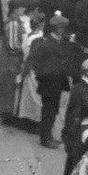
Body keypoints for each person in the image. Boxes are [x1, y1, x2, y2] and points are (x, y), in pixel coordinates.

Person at [27, 13, 75, 148]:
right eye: (63, 28)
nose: (65, 31)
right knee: (49, 111)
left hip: (53, 83)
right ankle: (45, 138)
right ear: (58, 29)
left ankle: (48, 136)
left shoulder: (53, 42)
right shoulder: (48, 45)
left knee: (52, 110)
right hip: (50, 84)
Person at [0, 0, 29, 123]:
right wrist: (23, 49)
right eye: (22, 7)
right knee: (8, 84)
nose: (24, 10)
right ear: (16, 9)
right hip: (11, 60)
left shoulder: (15, 21)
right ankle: (6, 114)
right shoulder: (13, 23)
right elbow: (12, 45)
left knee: (8, 84)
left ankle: (6, 112)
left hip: (10, 59)